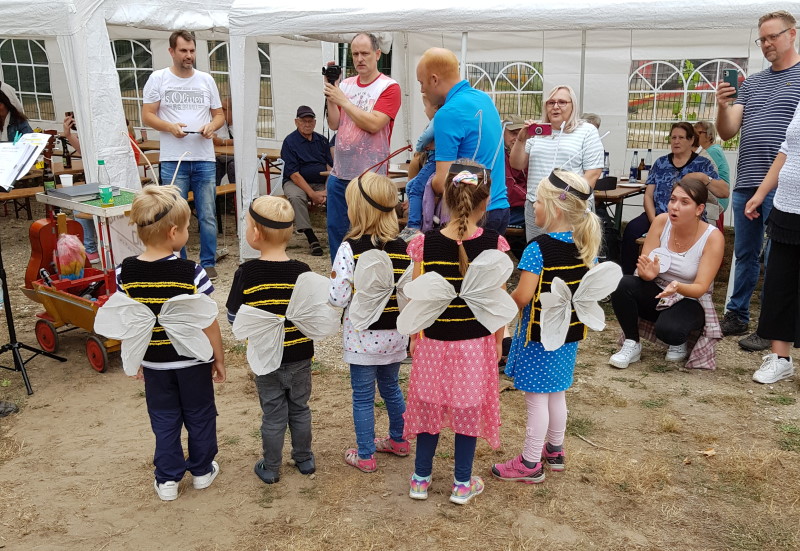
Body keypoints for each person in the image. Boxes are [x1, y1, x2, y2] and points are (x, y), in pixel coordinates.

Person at [401, 160, 512, 505]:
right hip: (474, 345)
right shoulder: (496, 244)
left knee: (428, 409)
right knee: (468, 412)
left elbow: (418, 297)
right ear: (486, 200)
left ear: (445, 198)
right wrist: (498, 341)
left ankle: (420, 479)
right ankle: (462, 484)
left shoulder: (424, 244)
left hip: (433, 342)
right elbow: (497, 303)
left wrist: (414, 338)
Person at [106, 185, 225, 501]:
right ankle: (201, 471)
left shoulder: (124, 272)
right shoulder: (192, 272)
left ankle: (168, 479)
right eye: (187, 228)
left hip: (154, 362)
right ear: (174, 232)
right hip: (192, 360)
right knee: (200, 414)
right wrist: (219, 357)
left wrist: (134, 356)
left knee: (164, 417)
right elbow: (208, 320)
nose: (188, 231)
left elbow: (129, 318)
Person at [495, 170, 603, 483]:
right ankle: (554, 450)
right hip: (568, 335)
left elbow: (523, 295)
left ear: (555, 208)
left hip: (538, 337)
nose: (533, 208)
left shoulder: (537, 249)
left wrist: (502, 305)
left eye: (537, 202)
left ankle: (529, 462)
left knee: (536, 398)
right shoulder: (585, 246)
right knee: (556, 393)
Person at [716, 11, 800, 350]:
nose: (766, 44)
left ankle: (771, 327)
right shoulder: (752, 83)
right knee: (746, 254)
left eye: (772, 37)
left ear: (792, 34)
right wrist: (722, 106)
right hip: (747, 181)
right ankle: (737, 315)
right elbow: (727, 131)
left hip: (786, 186)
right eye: (761, 39)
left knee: (776, 261)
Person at [225, 196, 318, 484]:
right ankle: (303, 459)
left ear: (255, 233)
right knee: (300, 408)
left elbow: (233, 317)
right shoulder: (303, 271)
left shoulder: (247, 272)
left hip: (266, 357)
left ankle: (272, 466)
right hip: (300, 355)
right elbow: (313, 314)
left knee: (274, 413)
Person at [329, 172, 411, 473]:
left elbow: (338, 297)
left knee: (363, 396)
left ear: (359, 209)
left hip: (363, 335)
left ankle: (365, 455)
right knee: (391, 387)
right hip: (396, 333)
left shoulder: (350, 247)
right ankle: (399, 440)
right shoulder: (404, 248)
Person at [610, 177, 724, 370]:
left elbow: (700, 288)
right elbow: (644, 269)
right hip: (658, 290)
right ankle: (632, 343)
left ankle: (679, 339)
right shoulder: (661, 222)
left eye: (684, 202)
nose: (674, 207)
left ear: (699, 209)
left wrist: (677, 287)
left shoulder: (713, 237)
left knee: (669, 331)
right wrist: (649, 274)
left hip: (690, 298)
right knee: (624, 284)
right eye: (673, 200)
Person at [142, 30, 225, 280]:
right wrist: (169, 127)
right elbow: (147, 115)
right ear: (171, 51)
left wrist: (212, 126)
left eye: (191, 50)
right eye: (183, 51)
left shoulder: (206, 80)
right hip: (173, 157)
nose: (189, 55)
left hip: (204, 156)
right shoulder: (158, 78)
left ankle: (208, 262)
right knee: (174, 213)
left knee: (208, 212)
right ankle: (181, 261)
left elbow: (219, 114)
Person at [416, 48, 510, 235]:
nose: (422, 90)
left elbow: (443, 181)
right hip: (499, 207)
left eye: (422, 82)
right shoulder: (484, 98)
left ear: (434, 79)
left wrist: (427, 183)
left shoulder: (447, 113)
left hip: (472, 215)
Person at [324, 33, 401, 258]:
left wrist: (343, 101)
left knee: (370, 233)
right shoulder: (345, 85)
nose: (360, 59)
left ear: (377, 54)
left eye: (365, 53)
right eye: (355, 54)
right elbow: (334, 123)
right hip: (340, 173)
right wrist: (331, 93)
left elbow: (374, 123)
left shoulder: (389, 87)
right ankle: (339, 281)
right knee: (337, 231)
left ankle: (369, 280)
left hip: (370, 177)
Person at [619, 122, 726, 275]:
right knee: (631, 230)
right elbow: (648, 196)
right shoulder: (661, 163)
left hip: (690, 219)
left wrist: (703, 178)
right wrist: (654, 220)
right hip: (659, 216)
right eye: (673, 137)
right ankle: (629, 276)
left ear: (691, 141)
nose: (676, 141)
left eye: (681, 137)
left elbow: (724, 192)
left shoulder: (703, 164)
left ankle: (688, 278)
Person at [743, 103, 800, 384]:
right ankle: (780, 359)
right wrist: (761, 193)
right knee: (779, 284)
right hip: (787, 207)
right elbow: (787, 150)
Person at [509, 85, 604, 241]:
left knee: (572, 257)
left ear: (573, 106)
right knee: (538, 254)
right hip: (537, 205)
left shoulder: (586, 131)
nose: (555, 107)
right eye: (551, 102)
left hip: (570, 209)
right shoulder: (537, 131)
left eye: (562, 102)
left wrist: (564, 200)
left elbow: (592, 174)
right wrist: (521, 139)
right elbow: (517, 165)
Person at [62, 113, 140, 264]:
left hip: (121, 191)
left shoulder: (124, 141)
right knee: (81, 206)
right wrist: (69, 135)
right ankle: (91, 249)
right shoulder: (111, 141)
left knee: (83, 207)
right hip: (109, 190)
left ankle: (91, 249)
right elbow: (86, 153)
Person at [281, 105, 333, 256]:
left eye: (310, 121)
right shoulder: (290, 142)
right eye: (304, 121)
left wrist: (328, 189)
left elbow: (331, 167)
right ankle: (311, 237)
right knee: (296, 197)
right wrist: (312, 194)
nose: (307, 124)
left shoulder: (322, 141)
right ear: (296, 122)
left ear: (315, 122)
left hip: (320, 182)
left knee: (337, 195)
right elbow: (294, 175)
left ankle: (337, 233)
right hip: (295, 181)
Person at [398, 93, 440, 242]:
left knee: (415, 188)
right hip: (432, 158)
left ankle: (413, 226)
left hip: (434, 159)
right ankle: (422, 214)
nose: (424, 111)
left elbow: (426, 137)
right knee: (410, 185)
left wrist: (420, 147)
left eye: (425, 107)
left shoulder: (439, 118)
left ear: (435, 108)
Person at [694, 120, 731, 229]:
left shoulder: (711, 152)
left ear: (709, 136)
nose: (695, 136)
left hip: (717, 199)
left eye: (699, 133)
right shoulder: (710, 150)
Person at [212, 97, 235, 187]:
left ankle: (235, 196)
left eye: (224, 109)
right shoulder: (220, 122)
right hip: (220, 157)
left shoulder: (241, 125)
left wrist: (222, 142)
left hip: (235, 158)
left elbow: (242, 141)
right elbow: (212, 136)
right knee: (212, 167)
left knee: (233, 166)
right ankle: (215, 196)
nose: (221, 112)